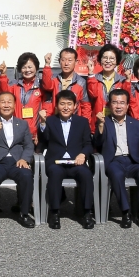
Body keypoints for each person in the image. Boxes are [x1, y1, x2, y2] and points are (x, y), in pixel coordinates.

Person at [95, 88, 139, 229]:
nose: (118, 106)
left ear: (128, 105)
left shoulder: (135, 124)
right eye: (115, 103)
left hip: (132, 161)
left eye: (122, 103)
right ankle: (125, 212)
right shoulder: (103, 122)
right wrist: (100, 126)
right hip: (113, 161)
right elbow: (97, 144)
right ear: (110, 105)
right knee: (116, 174)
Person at [0, 91, 36, 229]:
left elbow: (29, 145)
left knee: (26, 175)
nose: (6, 105)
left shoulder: (22, 124)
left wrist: (24, 159)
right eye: (3, 102)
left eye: (9, 102)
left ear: (15, 105)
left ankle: (24, 213)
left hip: (17, 161)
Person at [39, 90, 96, 229]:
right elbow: (43, 141)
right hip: (56, 162)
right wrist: (42, 123)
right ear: (57, 105)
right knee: (55, 174)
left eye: (69, 104)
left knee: (86, 174)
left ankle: (87, 212)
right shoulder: (50, 120)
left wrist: (83, 154)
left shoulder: (82, 122)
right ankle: (54, 213)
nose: (66, 107)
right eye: (62, 104)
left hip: (76, 162)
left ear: (75, 106)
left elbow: (88, 144)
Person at [40, 48, 91, 127]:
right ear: (59, 61)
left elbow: (85, 106)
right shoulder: (54, 79)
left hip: (74, 123)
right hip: (55, 121)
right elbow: (47, 86)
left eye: (70, 60)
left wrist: (86, 125)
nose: (66, 63)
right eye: (63, 60)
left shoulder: (81, 82)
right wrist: (47, 65)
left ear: (76, 62)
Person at [87, 44, 128, 125]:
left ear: (117, 61)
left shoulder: (123, 81)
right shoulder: (93, 78)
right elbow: (93, 94)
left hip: (117, 123)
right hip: (97, 122)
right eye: (105, 58)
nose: (108, 61)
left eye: (112, 58)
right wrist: (91, 74)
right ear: (100, 60)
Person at [8, 52, 44, 142]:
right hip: (16, 132)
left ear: (36, 67)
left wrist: (40, 133)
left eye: (30, 67)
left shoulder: (42, 86)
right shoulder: (14, 85)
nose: (27, 70)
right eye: (24, 67)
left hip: (35, 133)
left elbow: (46, 109)